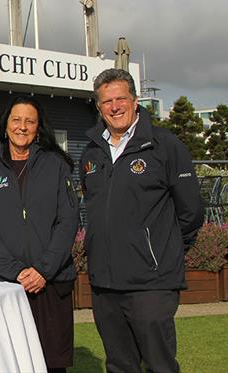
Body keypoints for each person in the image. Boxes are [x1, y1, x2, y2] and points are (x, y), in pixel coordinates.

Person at [80, 68, 204, 373]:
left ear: (135, 101)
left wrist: (163, 252)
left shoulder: (165, 146)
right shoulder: (91, 153)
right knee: (120, 366)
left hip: (151, 282)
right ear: (99, 108)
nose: (115, 106)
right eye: (106, 101)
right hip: (105, 283)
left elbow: (191, 211)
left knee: (159, 365)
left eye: (121, 98)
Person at [0, 95, 79, 373]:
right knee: (11, 362)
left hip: (51, 282)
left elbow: (67, 221)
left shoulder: (56, 165)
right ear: (6, 125)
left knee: (52, 365)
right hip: (8, 285)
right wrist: (16, 271)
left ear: (38, 127)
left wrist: (43, 270)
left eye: (30, 121)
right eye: (16, 120)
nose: (22, 126)